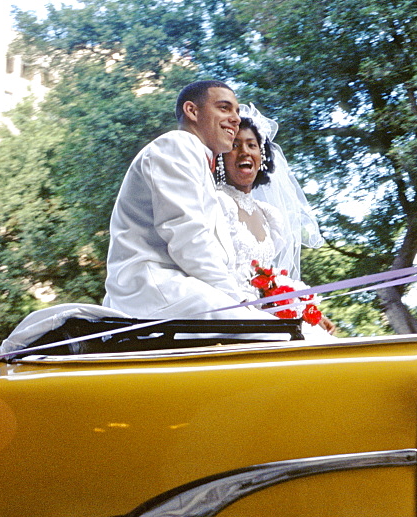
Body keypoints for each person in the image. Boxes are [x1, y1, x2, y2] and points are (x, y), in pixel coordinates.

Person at [103, 80, 270, 320]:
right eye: (224, 108)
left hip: (183, 287)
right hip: (154, 288)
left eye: (236, 111)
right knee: (276, 336)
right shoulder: (176, 146)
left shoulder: (197, 159)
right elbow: (188, 238)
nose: (235, 118)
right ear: (192, 111)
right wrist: (238, 300)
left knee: (287, 331)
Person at [215, 105, 334, 333]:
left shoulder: (270, 216)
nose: (244, 152)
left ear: (262, 157)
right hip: (231, 312)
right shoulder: (218, 202)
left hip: (264, 314)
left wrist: (306, 309)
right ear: (221, 157)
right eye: (235, 145)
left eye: (252, 145)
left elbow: (271, 278)